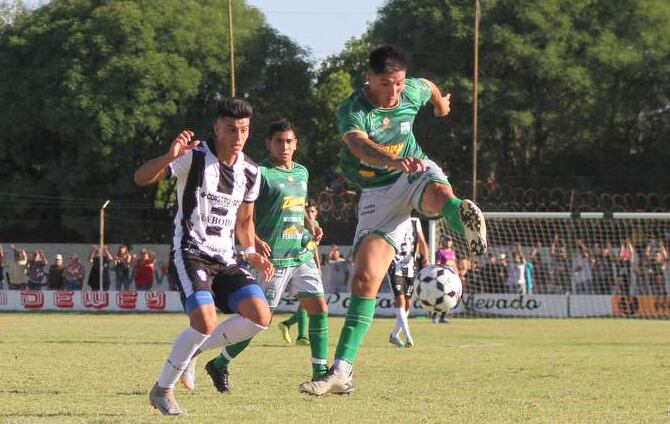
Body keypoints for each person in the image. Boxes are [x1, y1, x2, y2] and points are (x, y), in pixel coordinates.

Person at [299, 44, 487, 396]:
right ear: (368, 78)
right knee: (365, 279)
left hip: (414, 170)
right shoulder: (354, 109)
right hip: (378, 194)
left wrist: (440, 104)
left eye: (399, 84)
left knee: (439, 194)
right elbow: (358, 146)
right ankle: (341, 372)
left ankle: (465, 223)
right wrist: (391, 159)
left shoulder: (410, 91)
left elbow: (427, 85)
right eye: (386, 84)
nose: (394, 92)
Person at [134, 97, 274, 416]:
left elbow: (245, 221)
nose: (238, 137)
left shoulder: (251, 171)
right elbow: (141, 178)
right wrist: (169, 156)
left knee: (260, 315)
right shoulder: (193, 158)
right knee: (205, 321)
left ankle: (192, 353)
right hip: (191, 253)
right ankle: (162, 390)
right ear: (216, 128)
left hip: (225, 259)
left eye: (244, 130)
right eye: (231, 129)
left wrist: (251, 251)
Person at [190, 119, 330, 392]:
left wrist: (310, 225)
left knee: (319, 309)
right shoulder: (259, 172)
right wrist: (254, 241)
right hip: (272, 261)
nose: (285, 146)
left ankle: (320, 372)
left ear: (296, 143)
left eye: (290, 141)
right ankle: (218, 364)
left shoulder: (302, 172)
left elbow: (297, 204)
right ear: (268, 143)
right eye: (279, 141)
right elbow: (240, 214)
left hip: (299, 254)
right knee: (258, 322)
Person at [278, 200, 323, 346]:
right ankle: (301, 336)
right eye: (307, 210)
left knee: (308, 302)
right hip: (293, 262)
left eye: (312, 211)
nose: (309, 213)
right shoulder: (298, 222)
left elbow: (313, 247)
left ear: (317, 213)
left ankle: (288, 325)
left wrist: (318, 265)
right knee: (306, 301)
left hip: (306, 264)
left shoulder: (315, 226)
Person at [387, 216, 428, 347]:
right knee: (400, 300)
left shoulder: (415, 222)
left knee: (408, 303)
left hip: (411, 268)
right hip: (395, 267)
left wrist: (426, 259)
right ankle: (408, 336)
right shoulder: (392, 219)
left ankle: (394, 335)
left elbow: (422, 242)